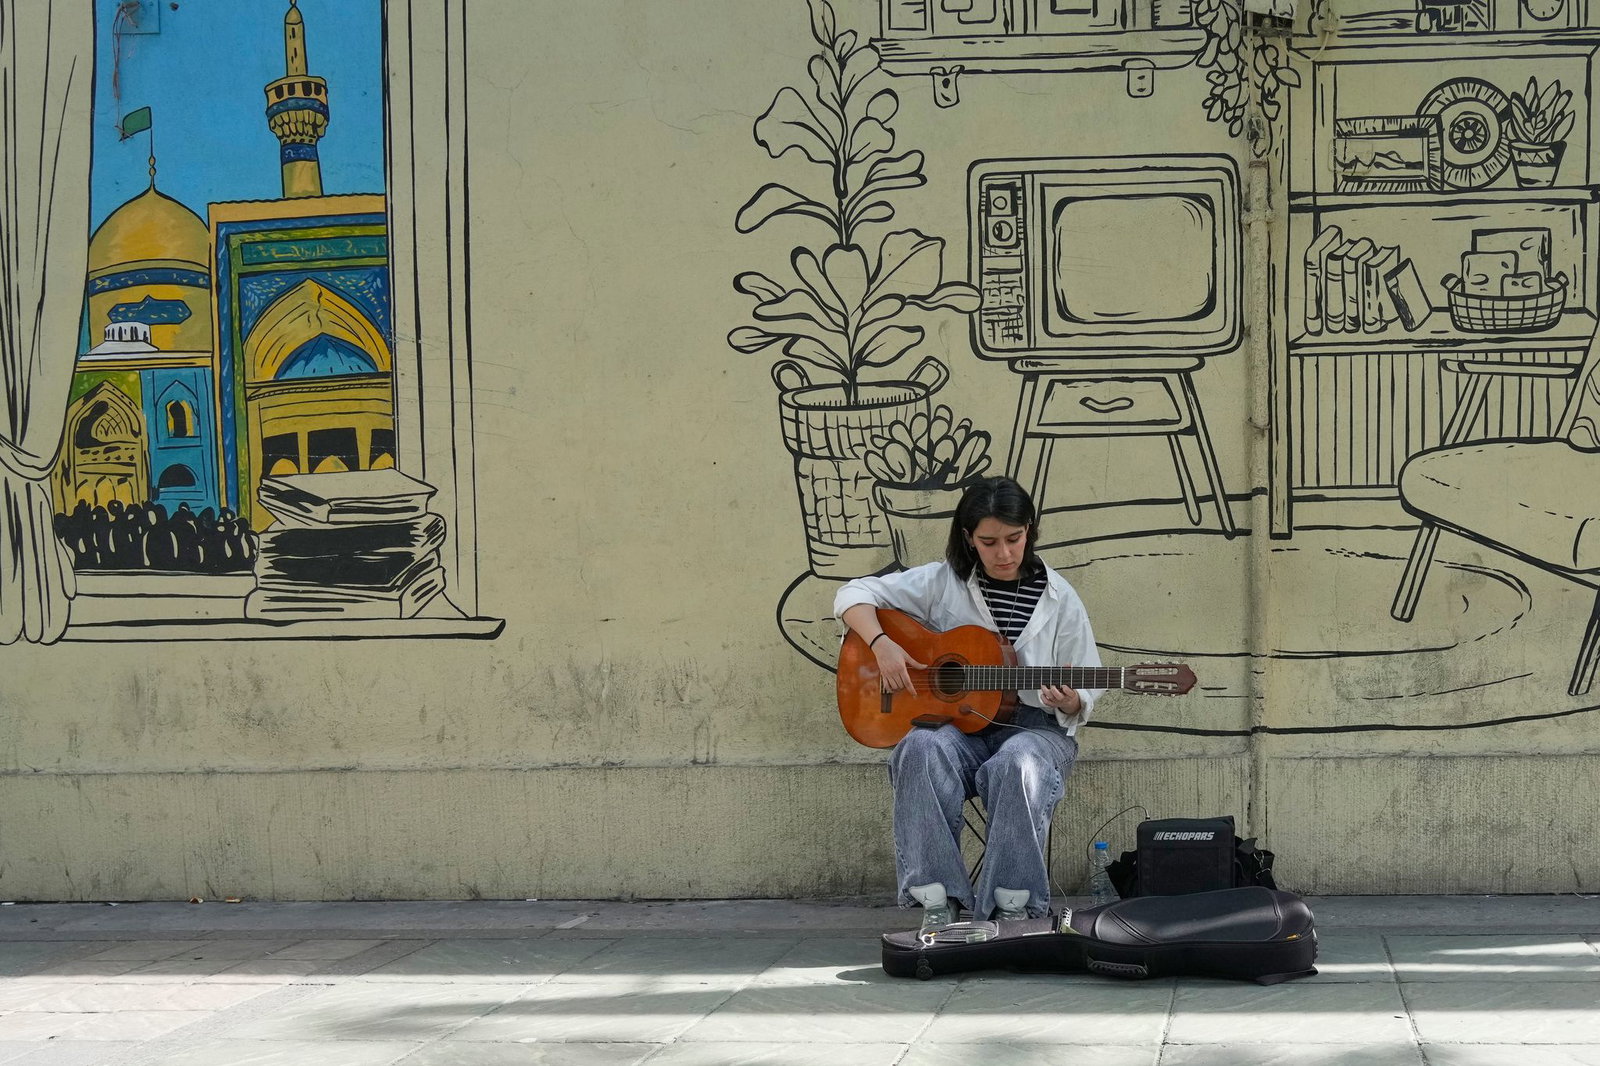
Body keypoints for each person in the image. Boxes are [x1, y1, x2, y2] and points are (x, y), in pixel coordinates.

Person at [834, 475, 1104, 933]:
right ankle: (939, 899)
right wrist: (881, 643)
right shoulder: (943, 582)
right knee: (918, 747)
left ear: (1030, 531)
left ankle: (1010, 906)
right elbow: (851, 594)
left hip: (1035, 729)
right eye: (989, 541)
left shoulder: (1060, 599)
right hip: (960, 729)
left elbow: (1087, 686)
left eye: (1014, 539)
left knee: (1017, 762)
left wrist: (1073, 698)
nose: (1004, 553)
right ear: (968, 538)